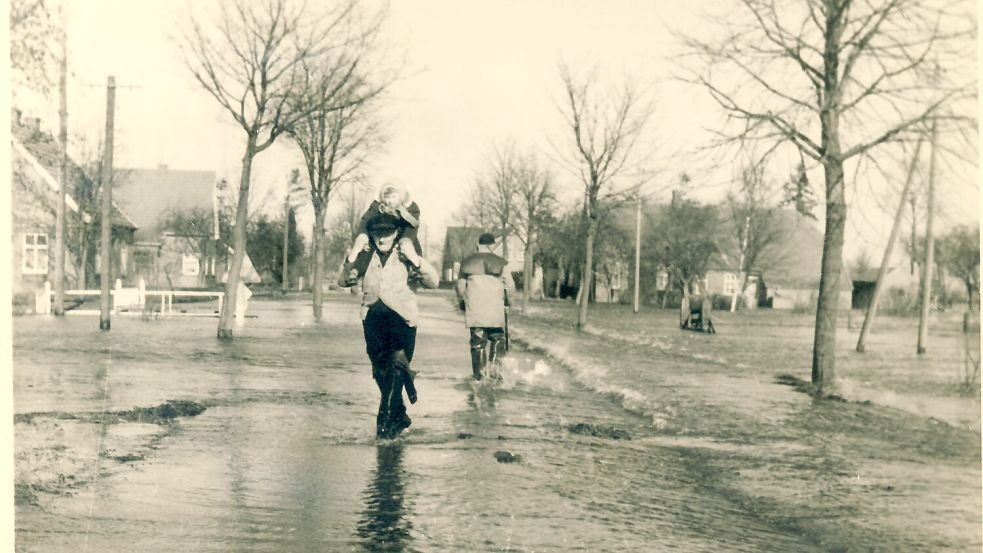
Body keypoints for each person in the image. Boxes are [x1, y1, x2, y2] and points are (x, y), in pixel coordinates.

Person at [338, 211, 439, 439]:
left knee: (395, 366)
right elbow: (342, 280)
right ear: (371, 234)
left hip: (402, 320)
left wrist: (414, 259)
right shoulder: (366, 254)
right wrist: (353, 253)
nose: (381, 239)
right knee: (381, 372)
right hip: (373, 321)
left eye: (387, 233)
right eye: (376, 234)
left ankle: (383, 428)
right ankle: (400, 414)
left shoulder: (406, 252)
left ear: (396, 234)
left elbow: (433, 281)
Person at [455, 232, 515, 381]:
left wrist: (462, 301)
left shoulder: (467, 262)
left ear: (478, 245)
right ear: (492, 246)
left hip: (475, 310)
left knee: (477, 342)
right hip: (495, 310)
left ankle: (480, 378)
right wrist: (508, 302)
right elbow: (510, 286)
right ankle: (493, 374)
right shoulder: (502, 263)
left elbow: (461, 286)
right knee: (497, 339)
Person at [345, 184, 423, 279]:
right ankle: (355, 270)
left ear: (400, 197)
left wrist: (404, 214)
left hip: (401, 234)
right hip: (382, 233)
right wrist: (363, 236)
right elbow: (365, 220)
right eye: (387, 197)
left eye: (393, 197)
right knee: (368, 248)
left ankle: (414, 268)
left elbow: (414, 224)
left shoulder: (408, 207)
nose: (389, 200)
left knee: (412, 246)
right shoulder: (378, 206)